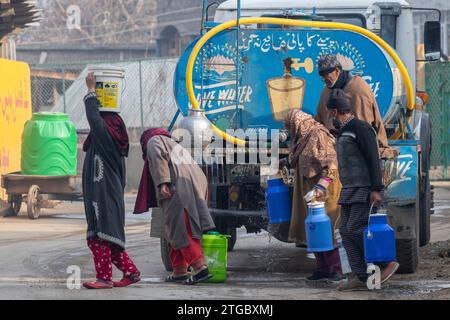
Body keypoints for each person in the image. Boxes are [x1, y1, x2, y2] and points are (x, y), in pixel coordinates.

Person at [326, 89, 399, 291]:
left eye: (331, 113)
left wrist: (376, 189)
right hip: (349, 189)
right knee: (344, 231)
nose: (331, 118)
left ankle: (385, 264)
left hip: (364, 189)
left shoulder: (361, 128)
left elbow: (373, 159)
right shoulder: (343, 131)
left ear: (335, 111)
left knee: (357, 229)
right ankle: (361, 275)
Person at [134, 128, 216, 284]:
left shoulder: (154, 140)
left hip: (177, 188)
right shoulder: (173, 144)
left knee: (183, 228)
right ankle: (179, 271)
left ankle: (200, 268)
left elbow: (158, 156)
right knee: (173, 229)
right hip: (195, 185)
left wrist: (162, 181)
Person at [82, 72, 140, 289]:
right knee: (109, 240)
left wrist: (90, 91)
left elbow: (96, 121)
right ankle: (131, 273)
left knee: (100, 238)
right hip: (103, 193)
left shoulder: (108, 138)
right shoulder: (106, 139)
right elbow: (97, 124)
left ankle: (104, 278)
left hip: (104, 193)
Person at [284, 110, 344, 282]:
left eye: (291, 127)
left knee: (327, 230)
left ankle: (336, 269)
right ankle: (322, 268)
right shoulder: (303, 138)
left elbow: (332, 164)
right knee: (314, 230)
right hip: (311, 193)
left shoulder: (319, 135)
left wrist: (320, 186)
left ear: (298, 124)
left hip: (325, 192)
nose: (290, 131)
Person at [315, 54, 395, 159]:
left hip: (361, 148)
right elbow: (320, 120)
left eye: (327, 74)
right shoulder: (326, 92)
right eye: (322, 76)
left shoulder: (358, 89)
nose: (325, 79)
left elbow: (370, 125)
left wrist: (381, 148)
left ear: (337, 71)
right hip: (334, 152)